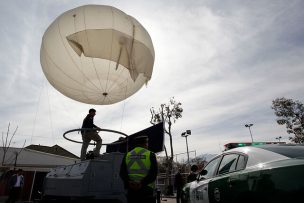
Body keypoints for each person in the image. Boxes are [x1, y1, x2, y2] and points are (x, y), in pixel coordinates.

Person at [120, 136, 158, 203]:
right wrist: (141, 183)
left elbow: (122, 172)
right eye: (147, 142)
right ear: (145, 143)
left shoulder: (127, 155)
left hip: (131, 190)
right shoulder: (150, 154)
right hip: (146, 190)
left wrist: (129, 182)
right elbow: (154, 173)